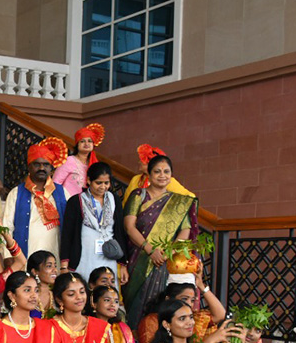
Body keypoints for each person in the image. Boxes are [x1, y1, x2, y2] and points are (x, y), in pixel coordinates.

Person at [122, 146, 198, 327]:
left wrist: (167, 252)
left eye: (166, 172)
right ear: (149, 173)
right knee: (134, 303)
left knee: (159, 305)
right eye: (157, 171)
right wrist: (150, 250)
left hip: (164, 260)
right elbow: (129, 226)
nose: (162, 175)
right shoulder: (138, 195)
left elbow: (185, 229)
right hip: (139, 258)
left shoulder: (177, 201)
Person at [0, 137, 68, 260]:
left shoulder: (62, 192)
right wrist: (8, 256)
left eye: (46, 164)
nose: (42, 168)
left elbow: (71, 226)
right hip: (26, 256)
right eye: (37, 164)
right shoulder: (16, 193)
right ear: (29, 167)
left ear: (51, 168)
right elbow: (7, 227)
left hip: (56, 255)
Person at [60, 161, 125, 284]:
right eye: (98, 183)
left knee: (106, 291)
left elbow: (120, 231)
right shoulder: (76, 201)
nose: (103, 187)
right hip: (84, 256)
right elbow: (67, 234)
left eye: (106, 183)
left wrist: (123, 264)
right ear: (89, 180)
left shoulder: (114, 199)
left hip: (108, 256)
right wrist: (64, 265)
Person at [37, 272, 109, 343]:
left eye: (82, 292)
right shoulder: (48, 327)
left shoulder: (98, 327)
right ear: (59, 300)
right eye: (71, 294)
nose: (79, 297)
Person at [52, 123, 104, 199]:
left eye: (89, 141)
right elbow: (56, 183)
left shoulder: (94, 163)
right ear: (77, 144)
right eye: (82, 141)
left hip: (87, 204)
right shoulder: (69, 161)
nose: (86, 144)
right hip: (68, 202)